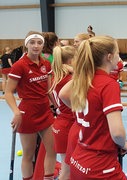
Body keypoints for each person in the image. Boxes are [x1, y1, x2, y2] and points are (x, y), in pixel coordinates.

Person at [59, 35, 127, 179]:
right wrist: (124, 144)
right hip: (100, 166)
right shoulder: (109, 84)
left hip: (78, 160)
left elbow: (63, 94)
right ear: (109, 57)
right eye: (117, 53)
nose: (119, 57)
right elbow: (117, 133)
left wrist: (89, 115)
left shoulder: (84, 78)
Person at [5, 31, 56, 179]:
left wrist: (57, 106)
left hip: (45, 111)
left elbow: (49, 90)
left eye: (39, 43)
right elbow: (8, 93)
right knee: (29, 154)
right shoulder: (19, 66)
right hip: (27, 113)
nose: (36, 46)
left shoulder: (46, 63)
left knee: (52, 150)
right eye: (32, 43)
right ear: (26, 44)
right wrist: (16, 112)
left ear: (43, 45)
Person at [49, 45, 76, 179]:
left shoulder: (57, 76)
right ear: (71, 61)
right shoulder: (69, 79)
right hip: (68, 125)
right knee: (67, 171)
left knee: (68, 169)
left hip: (61, 123)